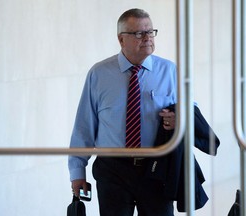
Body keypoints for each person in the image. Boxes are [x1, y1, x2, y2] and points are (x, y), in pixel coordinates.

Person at [68, 8, 177, 216]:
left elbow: (193, 113)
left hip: (156, 168)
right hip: (113, 170)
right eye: (138, 33)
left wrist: (179, 120)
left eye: (150, 32)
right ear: (121, 39)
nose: (147, 38)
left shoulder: (170, 71)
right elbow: (84, 126)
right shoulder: (99, 74)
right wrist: (77, 171)